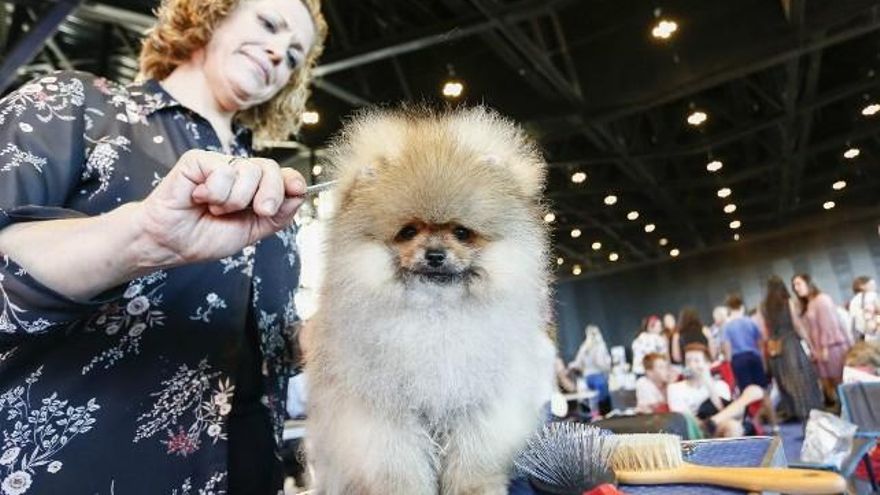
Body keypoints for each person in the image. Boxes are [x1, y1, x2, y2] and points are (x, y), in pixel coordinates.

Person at [0, 0, 328, 492]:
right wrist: (142, 238)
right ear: (211, 13)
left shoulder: (273, 197)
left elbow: (269, 356)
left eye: (296, 54)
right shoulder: (74, 106)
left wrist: (343, 335)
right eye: (268, 24)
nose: (280, 53)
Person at [759, 276, 823, 422]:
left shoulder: (763, 307)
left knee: (784, 381)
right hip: (790, 344)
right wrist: (810, 344)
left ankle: (793, 411)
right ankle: (808, 411)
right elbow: (797, 325)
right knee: (801, 378)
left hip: (775, 347)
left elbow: (764, 332)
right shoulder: (787, 302)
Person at [668, 344, 765, 438]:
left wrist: (708, 382)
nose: (692, 364)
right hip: (696, 428)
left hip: (718, 422)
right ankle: (712, 422)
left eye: (696, 361)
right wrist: (703, 424)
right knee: (734, 422)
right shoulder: (675, 388)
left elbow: (723, 409)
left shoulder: (719, 385)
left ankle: (714, 421)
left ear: (707, 364)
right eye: (688, 361)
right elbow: (683, 420)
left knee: (753, 391)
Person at [792, 273, 852, 405]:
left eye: (799, 284)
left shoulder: (822, 299)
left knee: (839, 380)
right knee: (830, 384)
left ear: (809, 283)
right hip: (820, 349)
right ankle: (844, 409)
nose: (796, 288)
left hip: (831, 347)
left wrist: (824, 348)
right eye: (794, 285)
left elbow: (828, 324)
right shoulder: (809, 303)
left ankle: (850, 410)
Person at [849, 275, 879, 343]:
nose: (875, 287)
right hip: (875, 333)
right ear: (862, 286)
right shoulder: (871, 295)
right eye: (872, 285)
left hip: (864, 338)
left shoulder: (853, 301)